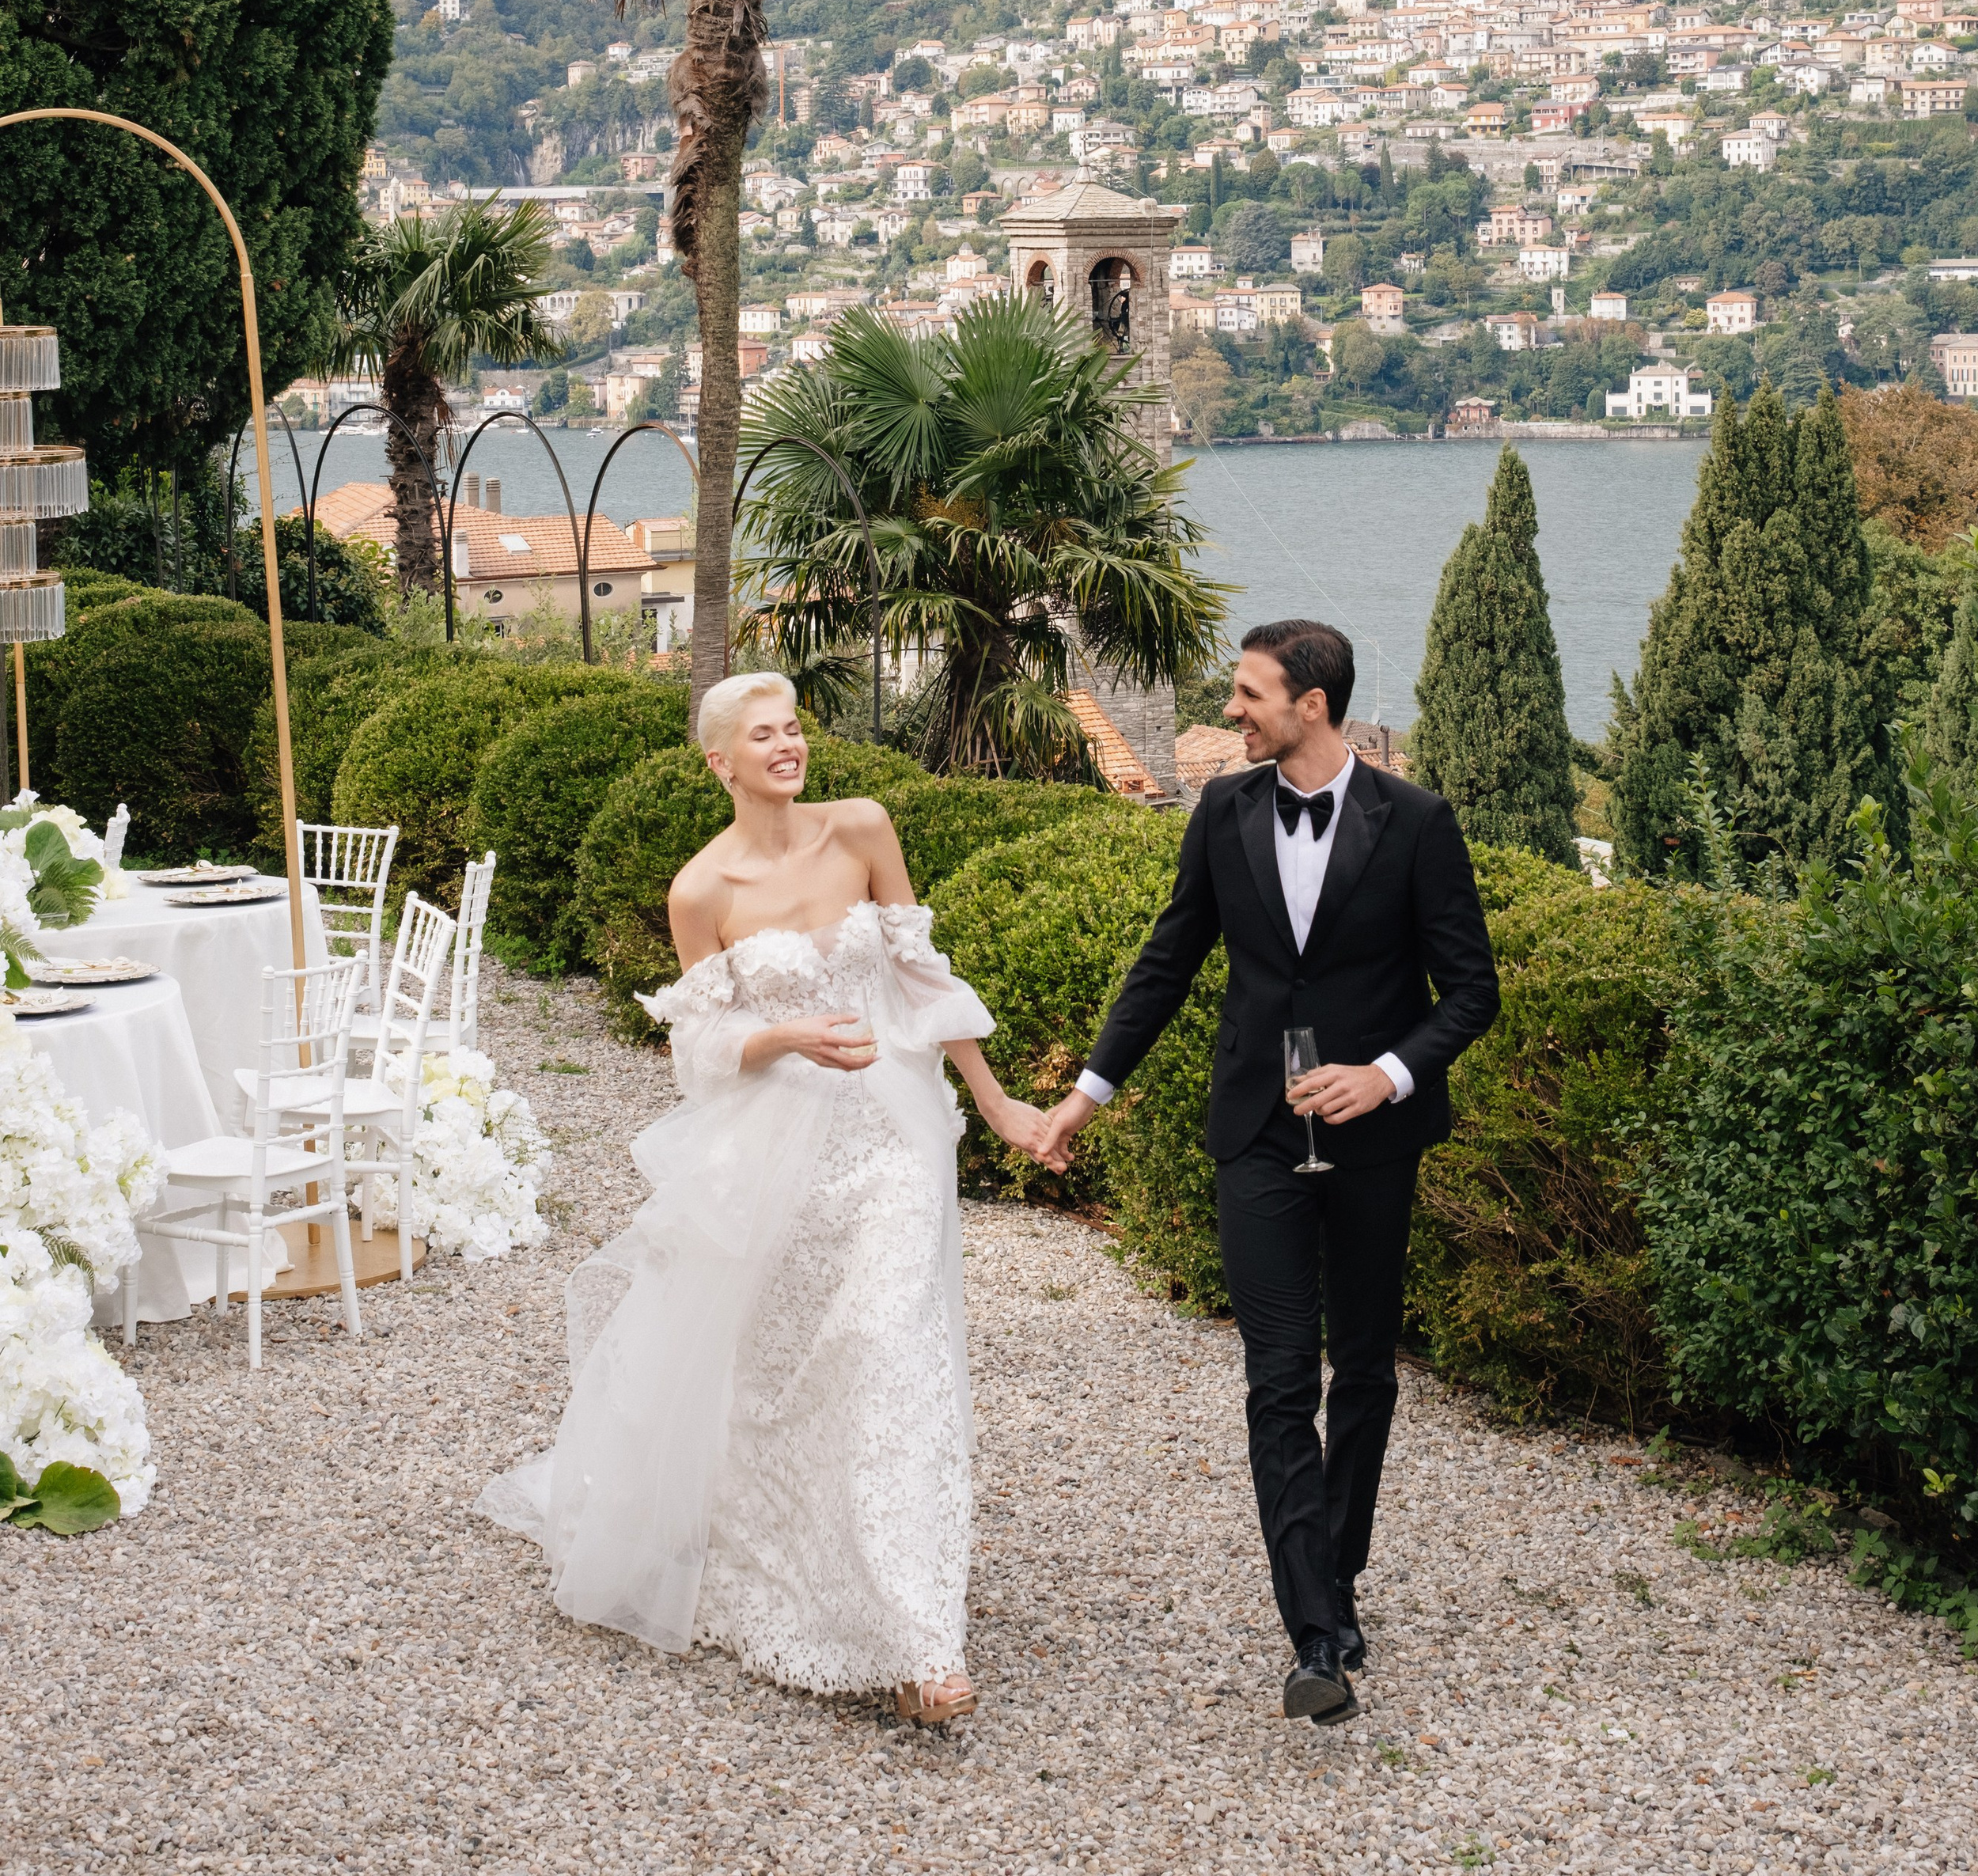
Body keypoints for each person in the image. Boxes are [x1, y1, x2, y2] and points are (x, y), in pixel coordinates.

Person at [482, 671, 1048, 1723]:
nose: (788, 746)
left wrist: (998, 1099)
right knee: (784, 1376)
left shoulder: (864, 827)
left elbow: (923, 977)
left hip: (895, 1140)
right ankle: (785, 1557)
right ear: (721, 762)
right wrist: (789, 1035)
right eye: (764, 734)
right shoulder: (703, 892)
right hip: (776, 1154)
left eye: (794, 729)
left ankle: (921, 1638)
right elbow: (696, 1049)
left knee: (888, 1350)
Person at [1035, 617, 1499, 1727]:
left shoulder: (1420, 824)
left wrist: (1384, 1074)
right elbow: (1167, 960)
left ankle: (1336, 1574)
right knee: (1281, 1379)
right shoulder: (1224, 811)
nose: (1231, 712)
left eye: (1249, 696)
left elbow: (1471, 992)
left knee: (1368, 1372)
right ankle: (1314, 1637)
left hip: (1376, 1140)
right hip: (1253, 1135)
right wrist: (1085, 1095)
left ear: (1314, 705)